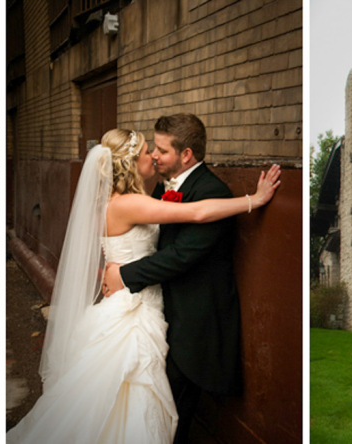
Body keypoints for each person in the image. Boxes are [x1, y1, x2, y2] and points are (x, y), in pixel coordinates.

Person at [6, 128, 280, 443]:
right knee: (134, 388)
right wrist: (253, 200)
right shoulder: (129, 203)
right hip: (135, 307)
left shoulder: (114, 200)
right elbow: (199, 211)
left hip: (130, 297)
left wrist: (117, 269)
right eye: (148, 151)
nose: (153, 156)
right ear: (132, 163)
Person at [103, 114, 247, 442]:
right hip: (155, 310)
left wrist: (122, 273)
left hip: (192, 322)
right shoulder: (153, 190)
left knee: (170, 413)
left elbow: (180, 255)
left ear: (186, 155)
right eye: (150, 149)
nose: (154, 154)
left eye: (161, 150)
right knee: (147, 403)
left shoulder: (212, 192)